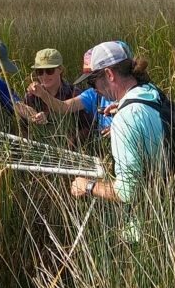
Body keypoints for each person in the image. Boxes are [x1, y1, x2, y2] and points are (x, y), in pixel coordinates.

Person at [68, 41, 164, 206]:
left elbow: (127, 192)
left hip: (151, 211)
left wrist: (88, 185)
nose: (93, 89)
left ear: (109, 74)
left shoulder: (125, 120)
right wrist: (122, 105)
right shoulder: (150, 91)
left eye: (92, 82)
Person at [21, 47, 114, 143]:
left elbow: (86, 127)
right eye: (40, 72)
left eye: (49, 71)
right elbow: (24, 127)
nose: (44, 76)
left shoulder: (74, 93)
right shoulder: (32, 95)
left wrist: (70, 144)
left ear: (60, 69)